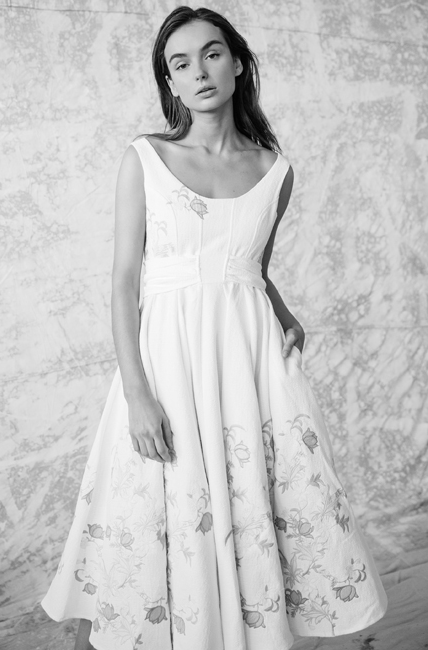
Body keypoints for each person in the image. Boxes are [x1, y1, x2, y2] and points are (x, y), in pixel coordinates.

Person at [41, 6, 388, 650]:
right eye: (181, 63)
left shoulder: (274, 171)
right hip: (166, 367)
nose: (199, 71)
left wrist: (285, 314)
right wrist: (138, 394)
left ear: (238, 63)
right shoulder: (145, 159)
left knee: (251, 507)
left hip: (246, 368)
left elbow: (251, 268)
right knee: (158, 515)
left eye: (211, 54)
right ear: (170, 82)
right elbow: (123, 282)